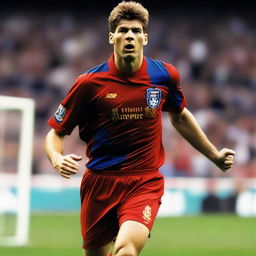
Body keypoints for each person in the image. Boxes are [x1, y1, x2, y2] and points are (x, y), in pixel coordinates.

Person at [44, 1, 235, 256]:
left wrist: (215, 155)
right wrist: (56, 158)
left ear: (145, 37)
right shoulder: (89, 83)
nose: (130, 36)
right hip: (100, 183)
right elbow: (56, 132)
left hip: (144, 181)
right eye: (123, 30)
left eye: (136, 31)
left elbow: (179, 116)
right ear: (112, 37)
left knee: (126, 250)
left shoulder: (164, 76)